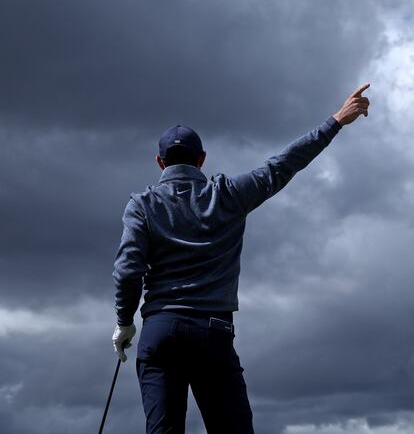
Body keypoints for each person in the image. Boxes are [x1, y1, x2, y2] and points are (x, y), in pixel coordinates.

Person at [111, 84, 371, 433]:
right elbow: (282, 165)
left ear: (159, 162)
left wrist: (124, 321)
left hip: (161, 330)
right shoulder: (229, 195)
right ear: (201, 159)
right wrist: (336, 121)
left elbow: (128, 270)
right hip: (213, 331)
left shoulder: (141, 205)